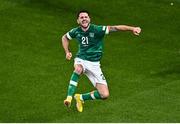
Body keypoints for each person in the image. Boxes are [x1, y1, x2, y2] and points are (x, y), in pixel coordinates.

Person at [61, 10, 141, 112]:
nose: (84, 19)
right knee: (78, 69)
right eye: (81, 17)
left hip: (95, 64)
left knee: (104, 95)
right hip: (81, 59)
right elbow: (64, 38)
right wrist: (67, 52)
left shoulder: (97, 29)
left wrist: (132, 28)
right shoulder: (75, 31)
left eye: (86, 17)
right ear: (78, 21)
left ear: (89, 19)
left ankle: (80, 98)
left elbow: (115, 28)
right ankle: (69, 98)